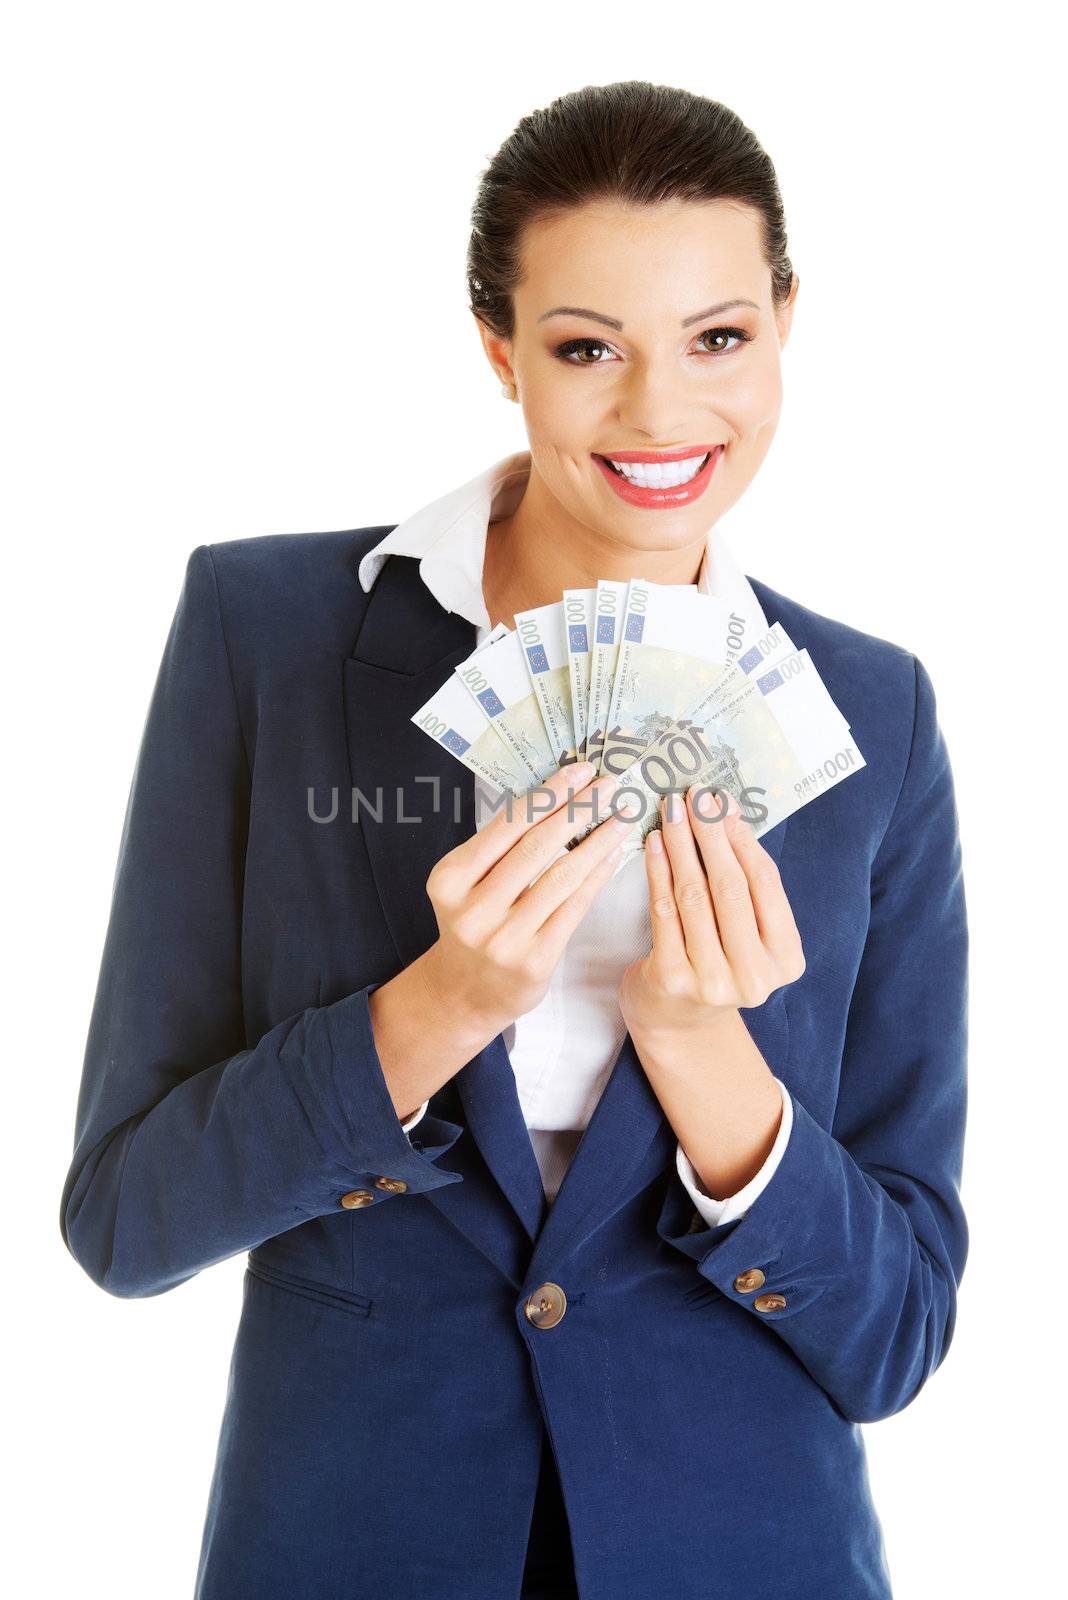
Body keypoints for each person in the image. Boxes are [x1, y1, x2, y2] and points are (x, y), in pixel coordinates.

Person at [59, 81, 970, 1600]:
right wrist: (432, 1014)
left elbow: (895, 1336)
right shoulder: (265, 636)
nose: (663, 414)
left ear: (788, 322)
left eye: (719, 338)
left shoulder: (869, 713)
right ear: (501, 351)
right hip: (354, 1545)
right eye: (586, 347)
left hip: (748, 1553)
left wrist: (702, 1053)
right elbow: (128, 1218)